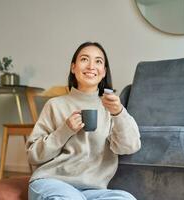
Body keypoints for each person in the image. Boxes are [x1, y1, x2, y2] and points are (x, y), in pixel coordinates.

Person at [26, 41, 141, 200]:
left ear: (104, 71)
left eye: (98, 61)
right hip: (52, 182)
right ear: (73, 67)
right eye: (84, 59)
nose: (91, 66)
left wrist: (119, 113)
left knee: (126, 198)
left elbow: (130, 147)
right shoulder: (55, 105)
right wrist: (65, 131)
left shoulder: (112, 108)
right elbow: (33, 155)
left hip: (93, 191)